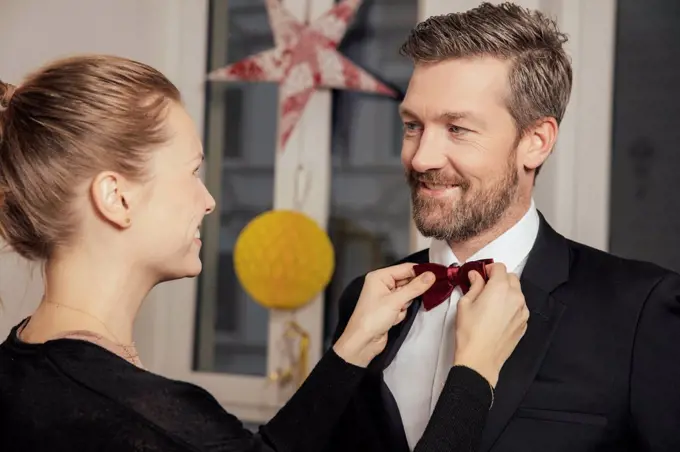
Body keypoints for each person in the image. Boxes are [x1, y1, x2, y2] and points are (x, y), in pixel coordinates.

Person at [0, 55, 529, 452]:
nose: (208, 201)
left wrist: (347, 353)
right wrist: (475, 372)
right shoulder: (141, 417)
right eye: (192, 173)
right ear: (117, 198)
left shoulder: (25, 367)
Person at [325, 2, 680, 452]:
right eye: (413, 126)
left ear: (535, 142)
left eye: (457, 129)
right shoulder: (364, 300)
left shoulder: (641, 312)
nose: (421, 158)